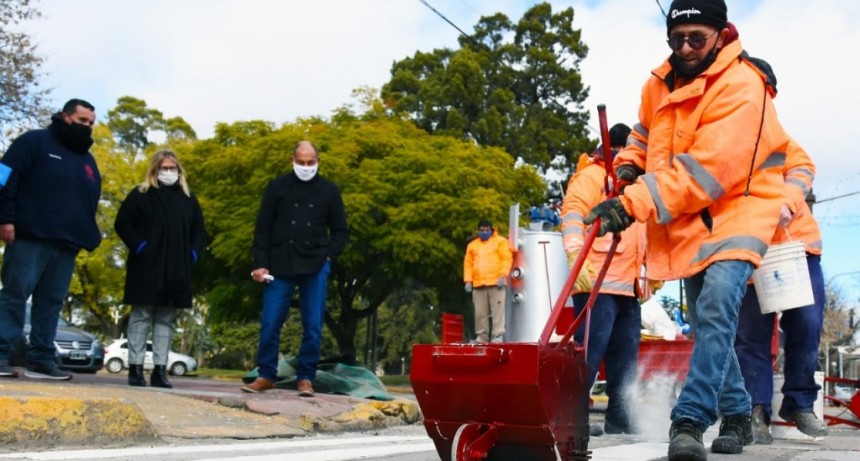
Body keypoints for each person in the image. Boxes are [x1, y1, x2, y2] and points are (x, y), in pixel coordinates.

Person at [583, 1, 794, 459]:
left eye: (696, 38)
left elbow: (707, 172)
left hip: (741, 208)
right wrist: (628, 166)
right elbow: (643, 133)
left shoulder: (743, 85)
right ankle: (738, 413)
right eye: (676, 38)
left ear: (721, 34)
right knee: (704, 320)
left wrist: (632, 202)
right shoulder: (657, 83)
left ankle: (691, 419)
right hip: (693, 217)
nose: (685, 47)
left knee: (717, 306)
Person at [0, 99, 101, 381]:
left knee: (51, 303)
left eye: (91, 123)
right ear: (65, 117)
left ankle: (41, 361)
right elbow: (3, 177)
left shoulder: (87, 161)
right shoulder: (32, 142)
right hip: (29, 236)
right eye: (82, 121)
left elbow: (89, 200)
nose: (87, 127)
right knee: (15, 295)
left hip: (66, 244)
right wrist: (5, 218)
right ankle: (1, 354)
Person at [735, 141, 828, 443]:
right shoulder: (721, 143)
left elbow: (801, 168)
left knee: (807, 322)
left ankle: (799, 403)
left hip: (795, 246)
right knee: (751, 336)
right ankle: (755, 410)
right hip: (750, 248)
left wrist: (787, 202)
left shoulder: (774, 138)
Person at [242, 141, 348, 397]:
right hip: (279, 264)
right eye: (301, 162)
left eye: (310, 162)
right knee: (270, 322)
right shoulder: (276, 187)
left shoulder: (329, 190)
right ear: (292, 160)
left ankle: (305, 378)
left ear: (318, 161)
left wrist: (328, 257)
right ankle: (266, 375)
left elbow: (341, 230)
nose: (305, 167)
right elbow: (263, 228)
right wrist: (259, 263)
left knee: (313, 325)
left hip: (315, 264)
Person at [561, 123, 647, 435]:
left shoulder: (633, 184)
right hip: (596, 280)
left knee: (625, 356)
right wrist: (574, 254)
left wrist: (649, 271)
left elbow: (643, 231)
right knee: (589, 354)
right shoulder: (593, 176)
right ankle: (573, 416)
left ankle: (620, 416)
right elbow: (572, 213)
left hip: (627, 287)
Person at [114, 149, 207, 389]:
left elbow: (199, 230)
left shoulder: (188, 199)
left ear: (179, 171)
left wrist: (193, 253)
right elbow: (122, 223)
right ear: (155, 170)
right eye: (164, 168)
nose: (168, 172)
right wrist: (140, 246)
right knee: (141, 315)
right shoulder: (141, 194)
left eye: (172, 168)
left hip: (177, 268)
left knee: (165, 319)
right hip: (146, 266)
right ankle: (134, 369)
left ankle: (160, 370)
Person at [463, 219, 512, 343]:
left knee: (498, 311)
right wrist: (468, 281)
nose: (484, 232)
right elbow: (468, 264)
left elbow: (506, 259)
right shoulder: (472, 245)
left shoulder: (501, 242)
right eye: (482, 230)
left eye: (486, 230)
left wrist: (503, 276)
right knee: (480, 313)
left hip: (496, 283)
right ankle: (481, 337)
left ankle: (498, 336)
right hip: (478, 284)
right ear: (478, 231)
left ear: (492, 229)